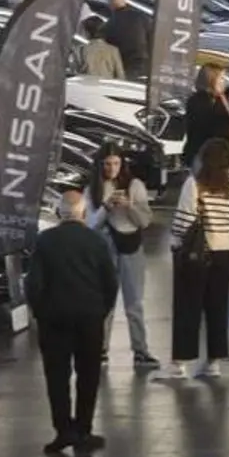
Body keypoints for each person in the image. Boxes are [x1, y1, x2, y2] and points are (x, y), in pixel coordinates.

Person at [26, 190, 117, 455]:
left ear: (58, 213)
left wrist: (40, 313)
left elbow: (34, 284)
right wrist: (101, 310)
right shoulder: (96, 241)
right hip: (89, 317)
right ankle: (84, 430)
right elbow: (110, 282)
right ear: (84, 213)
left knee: (57, 377)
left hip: (54, 319)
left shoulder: (45, 241)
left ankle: (63, 430)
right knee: (88, 375)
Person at [164, 138, 229, 380]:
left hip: (196, 252)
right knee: (217, 306)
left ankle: (181, 362)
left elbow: (184, 220)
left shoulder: (194, 185)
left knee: (188, 306)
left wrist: (175, 242)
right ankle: (214, 361)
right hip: (224, 251)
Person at [85, 144, 157, 368]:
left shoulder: (134, 186)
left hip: (130, 246)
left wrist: (130, 207)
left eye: (116, 163)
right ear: (100, 165)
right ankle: (100, 349)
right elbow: (91, 225)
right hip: (105, 249)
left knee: (134, 302)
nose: (112, 168)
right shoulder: (93, 190)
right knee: (105, 302)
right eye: (107, 164)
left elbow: (145, 221)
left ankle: (140, 350)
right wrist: (106, 206)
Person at [183, 64, 229, 167]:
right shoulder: (199, 101)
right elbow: (209, 125)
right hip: (202, 153)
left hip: (217, 153)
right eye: (220, 78)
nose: (224, 82)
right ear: (211, 80)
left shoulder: (220, 99)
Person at [101, 0, 152, 81]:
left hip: (125, 66)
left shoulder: (110, 24)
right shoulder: (141, 17)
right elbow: (152, 37)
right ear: (125, 1)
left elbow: (109, 49)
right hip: (145, 64)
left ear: (110, 5)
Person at [81, 15, 124, 80]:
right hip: (107, 87)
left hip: (87, 87)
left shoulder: (81, 50)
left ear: (87, 33)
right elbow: (121, 76)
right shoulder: (113, 50)